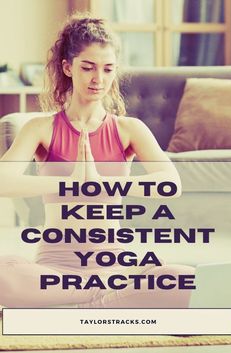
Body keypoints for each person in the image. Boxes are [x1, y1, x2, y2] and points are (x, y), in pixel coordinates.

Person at [0, 13, 194, 308]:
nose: (97, 79)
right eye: (88, 67)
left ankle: (79, 306)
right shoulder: (40, 128)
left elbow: (171, 184)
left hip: (111, 267)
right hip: (54, 269)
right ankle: (102, 301)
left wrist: (104, 185)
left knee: (183, 278)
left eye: (107, 69)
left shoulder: (129, 129)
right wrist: (69, 184)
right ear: (68, 67)